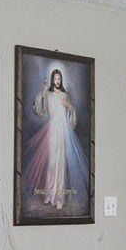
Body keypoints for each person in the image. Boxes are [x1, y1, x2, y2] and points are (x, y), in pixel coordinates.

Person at [23, 66, 89, 213]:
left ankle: (59, 198)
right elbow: (40, 110)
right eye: (55, 78)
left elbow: (71, 113)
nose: (57, 81)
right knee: (52, 162)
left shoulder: (64, 94)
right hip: (52, 128)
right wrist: (43, 89)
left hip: (63, 129)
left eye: (59, 78)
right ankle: (49, 193)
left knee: (60, 163)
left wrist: (69, 107)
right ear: (52, 79)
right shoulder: (48, 93)